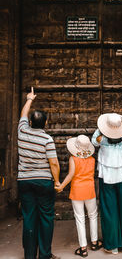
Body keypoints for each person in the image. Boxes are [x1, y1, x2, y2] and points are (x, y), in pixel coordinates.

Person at [17, 87, 60, 259]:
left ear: (30, 123)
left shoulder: (22, 131)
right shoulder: (47, 139)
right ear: (45, 124)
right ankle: (44, 254)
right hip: (43, 182)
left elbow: (22, 115)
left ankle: (29, 255)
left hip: (24, 182)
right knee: (46, 217)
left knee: (29, 216)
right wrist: (56, 181)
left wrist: (29, 99)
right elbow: (54, 163)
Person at [92, 113, 122, 255]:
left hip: (106, 178)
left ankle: (113, 246)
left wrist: (102, 128)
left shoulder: (101, 139)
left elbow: (93, 140)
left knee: (109, 211)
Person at [55, 135, 102, 258]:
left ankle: (83, 248)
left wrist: (61, 186)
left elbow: (71, 175)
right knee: (93, 216)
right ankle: (95, 242)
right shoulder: (92, 159)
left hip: (77, 190)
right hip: (89, 190)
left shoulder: (73, 159)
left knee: (80, 218)